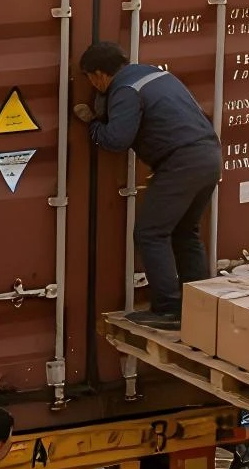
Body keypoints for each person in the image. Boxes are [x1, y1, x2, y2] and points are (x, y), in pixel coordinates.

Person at [75, 39, 222, 323]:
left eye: (91, 79)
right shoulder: (156, 74)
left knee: (150, 233)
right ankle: (200, 307)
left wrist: (92, 123)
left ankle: (168, 308)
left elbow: (117, 140)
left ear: (97, 74)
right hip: (209, 155)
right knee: (184, 231)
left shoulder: (126, 90)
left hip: (181, 163)